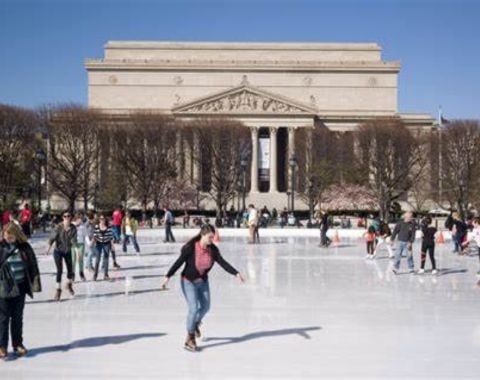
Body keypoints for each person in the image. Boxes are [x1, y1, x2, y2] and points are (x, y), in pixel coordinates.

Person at [160, 224, 245, 352]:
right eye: (210, 237)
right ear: (203, 235)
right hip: (188, 281)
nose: (212, 240)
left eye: (213, 237)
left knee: (206, 307)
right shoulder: (190, 248)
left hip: (203, 281)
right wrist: (168, 276)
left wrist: (236, 273)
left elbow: (223, 263)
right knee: (193, 308)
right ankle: (190, 337)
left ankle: (194, 323)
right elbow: (179, 262)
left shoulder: (213, 250)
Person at [0, 223, 41, 359]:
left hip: (21, 286)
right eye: (6, 236)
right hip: (4, 288)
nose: (8, 239)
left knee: (17, 317)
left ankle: (17, 344)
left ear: (16, 235)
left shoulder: (24, 247)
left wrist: (35, 283)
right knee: (3, 318)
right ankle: (2, 347)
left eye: (11, 237)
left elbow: (32, 265)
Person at [46, 211, 77, 301]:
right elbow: (52, 238)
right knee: (59, 270)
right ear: (63, 218)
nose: (66, 218)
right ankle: (58, 290)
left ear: (71, 217)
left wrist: (76, 249)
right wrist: (48, 247)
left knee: (70, 270)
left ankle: (69, 284)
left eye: (68, 216)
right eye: (65, 216)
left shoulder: (73, 228)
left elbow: (73, 240)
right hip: (58, 251)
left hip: (68, 251)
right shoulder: (58, 227)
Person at [93, 214, 117, 281]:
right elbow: (94, 236)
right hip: (99, 244)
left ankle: (106, 275)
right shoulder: (97, 226)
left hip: (106, 243)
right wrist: (92, 243)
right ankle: (95, 275)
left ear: (105, 219)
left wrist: (112, 246)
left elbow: (111, 237)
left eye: (103, 219)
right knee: (97, 259)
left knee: (106, 259)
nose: (102, 220)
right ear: (99, 220)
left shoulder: (108, 227)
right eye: (100, 219)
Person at [72, 212, 87, 282]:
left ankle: (81, 272)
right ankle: (72, 274)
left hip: (81, 244)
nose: (80, 220)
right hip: (73, 244)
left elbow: (85, 235)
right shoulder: (72, 225)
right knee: (73, 259)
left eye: (81, 219)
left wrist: (89, 243)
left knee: (80, 259)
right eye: (79, 218)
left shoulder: (83, 226)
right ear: (76, 219)